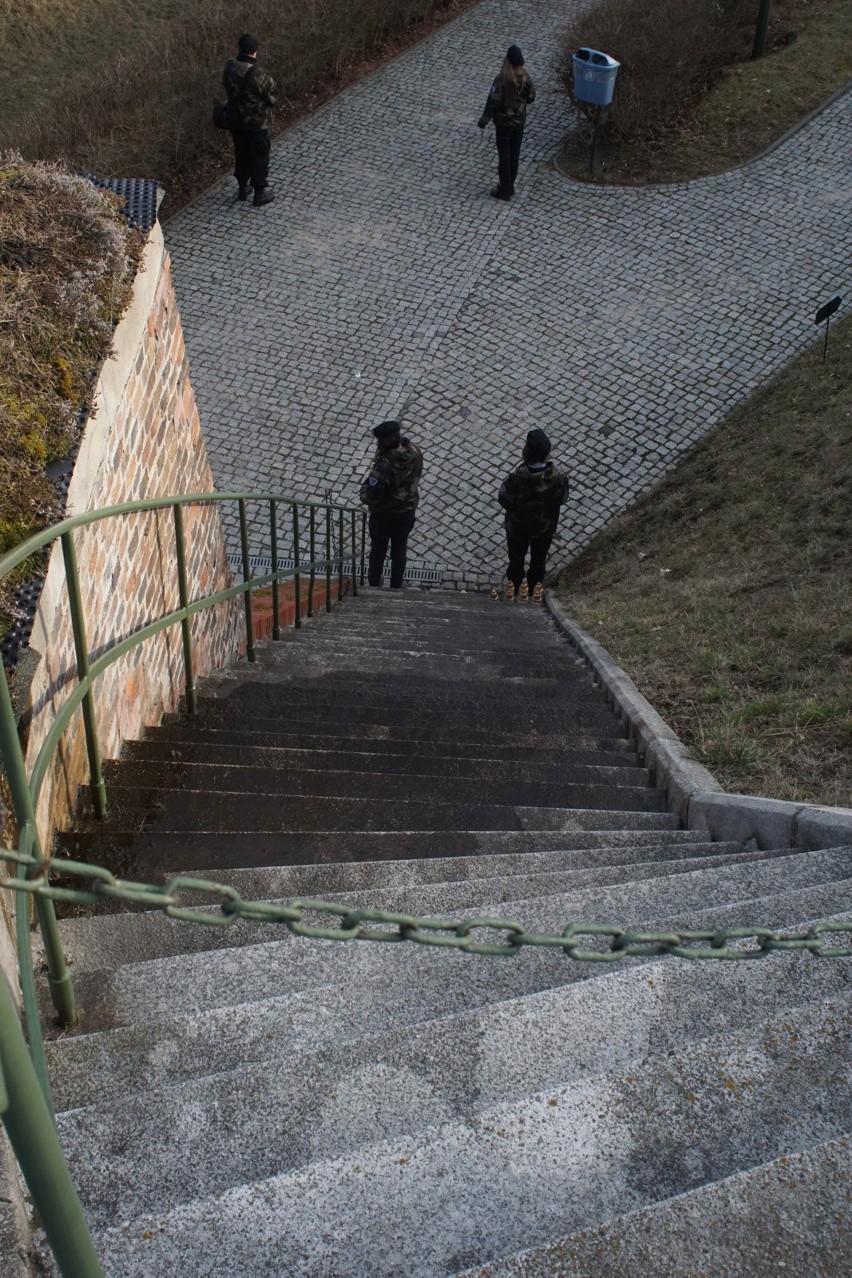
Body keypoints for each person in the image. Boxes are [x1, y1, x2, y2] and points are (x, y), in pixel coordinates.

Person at [497, 429, 568, 602]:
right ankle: (533, 591)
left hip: (517, 528)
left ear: (526, 452)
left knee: (516, 560)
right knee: (538, 560)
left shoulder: (516, 479)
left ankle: (513, 590)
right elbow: (563, 498)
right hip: (544, 528)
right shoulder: (559, 478)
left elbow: (504, 499)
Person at [360, 421, 423, 589]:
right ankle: (396, 586)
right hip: (407, 510)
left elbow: (367, 495)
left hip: (384, 515)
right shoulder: (415, 450)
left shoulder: (385, 466)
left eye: (380, 441)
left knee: (378, 550)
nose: (377, 444)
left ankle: (374, 585)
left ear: (388, 441)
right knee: (400, 549)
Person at [222, 34, 278, 207]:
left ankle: (242, 188)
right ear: (254, 51)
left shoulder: (230, 66)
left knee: (242, 153)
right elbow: (273, 97)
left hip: (237, 121)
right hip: (257, 123)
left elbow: (226, 85)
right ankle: (260, 193)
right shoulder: (257, 74)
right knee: (260, 155)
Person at [477, 45, 536, 201]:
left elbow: (492, 102)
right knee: (514, 154)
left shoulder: (502, 79)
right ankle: (510, 185)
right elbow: (531, 97)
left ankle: (505, 189)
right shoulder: (526, 77)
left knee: (504, 155)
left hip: (503, 124)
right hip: (519, 123)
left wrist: (484, 120)